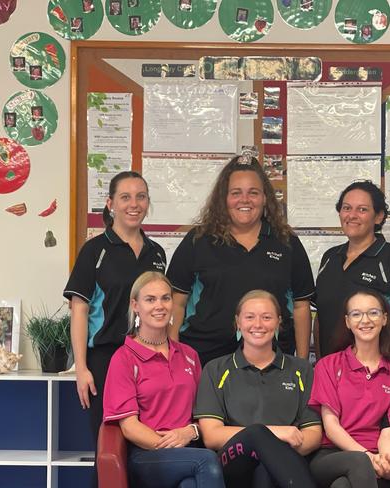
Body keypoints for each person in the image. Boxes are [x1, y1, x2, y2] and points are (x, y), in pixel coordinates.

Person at [63, 171, 166, 484]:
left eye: (141, 196)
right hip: (106, 360)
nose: (134, 204)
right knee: (110, 448)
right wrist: (81, 368)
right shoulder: (95, 251)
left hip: (147, 359)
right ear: (110, 204)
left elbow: (162, 309)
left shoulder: (157, 253)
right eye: (125, 197)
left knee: (148, 445)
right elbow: (79, 310)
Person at [167, 155, 314, 365]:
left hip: (271, 360)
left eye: (253, 193)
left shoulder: (286, 243)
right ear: (223, 199)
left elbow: (301, 306)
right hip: (205, 358)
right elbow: (177, 303)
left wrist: (301, 363)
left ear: (265, 198)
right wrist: (173, 357)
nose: (244, 200)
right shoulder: (198, 240)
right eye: (236, 193)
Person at [103, 272, 224, 488]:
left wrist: (191, 432)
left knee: (190, 484)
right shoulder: (123, 358)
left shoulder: (189, 355)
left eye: (165, 298)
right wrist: (171, 444)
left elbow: (203, 414)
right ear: (135, 305)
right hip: (148, 454)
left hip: (190, 451)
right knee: (207, 461)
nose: (160, 305)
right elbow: (130, 427)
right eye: (150, 299)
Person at [194, 290, 322, 487]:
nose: (258, 325)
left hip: (285, 464)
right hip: (233, 464)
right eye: (250, 317)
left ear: (279, 321)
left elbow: (313, 433)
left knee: (265, 470)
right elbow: (211, 436)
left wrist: (272, 452)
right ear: (238, 321)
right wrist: (276, 434)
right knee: (255, 434)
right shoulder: (216, 369)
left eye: (267, 317)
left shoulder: (301, 369)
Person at [309, 289, 390, 488]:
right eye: (356, 314)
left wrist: (387, 463)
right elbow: (331, 428)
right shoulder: (328, 366)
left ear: (384, 318)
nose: (365, 320)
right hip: (330, 455)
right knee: (358, 462)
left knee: (342, 486)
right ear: (347, 322)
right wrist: (368, 457)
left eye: (373, 313)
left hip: (373, 456)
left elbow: (388, 432)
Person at [313, 181, 390, 372]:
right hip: (333, 375)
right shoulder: (329, 258)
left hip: (378, 375)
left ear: (378, 217)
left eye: (362, 209)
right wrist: (322, 369)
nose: (352, 215)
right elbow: (320, 317)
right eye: (346, 208)